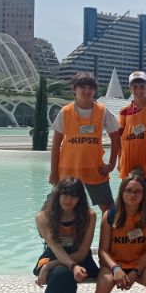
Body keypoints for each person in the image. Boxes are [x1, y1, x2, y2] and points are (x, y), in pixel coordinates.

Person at [49, 71, 120, 212]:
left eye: (91, 88)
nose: (87, 91)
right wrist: (54, 172)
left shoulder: (102, 111)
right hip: (68, 170)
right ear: (74, 89)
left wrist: (111, 164)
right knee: (62, 210)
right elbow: (56, 144)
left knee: (109, 211)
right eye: (83, 87)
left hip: (95, 170)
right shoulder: (65, 112)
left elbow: (115, 138)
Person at [117, 70, 146, 206]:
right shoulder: (124, 112)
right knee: (128, 198)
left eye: (142, 86)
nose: (139, 90)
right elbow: (119, 138)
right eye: (135, 87)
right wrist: (119, 160)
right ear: (130, 88)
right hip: (128, 162)